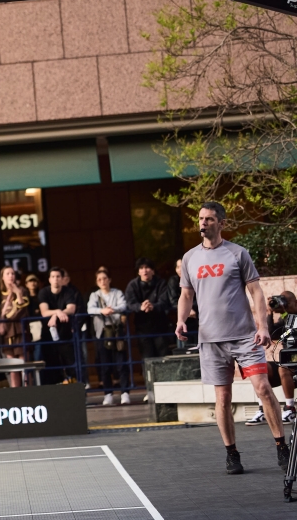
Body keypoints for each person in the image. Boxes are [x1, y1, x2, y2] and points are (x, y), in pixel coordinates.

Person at [176, 202, 289, 474]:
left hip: (245, 337)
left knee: (263, 388)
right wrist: (180, 320)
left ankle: (281, 446)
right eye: (201, 218)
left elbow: (256, 292)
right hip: (211, 340)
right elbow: (186, 295)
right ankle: (232, 453)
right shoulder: (190, 258)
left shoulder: (237, 253)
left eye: (209, 219)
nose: (203, 223)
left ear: (221, 223)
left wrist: (263, 327)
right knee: (223, 397)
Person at [126, 258, 172, 386]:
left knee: (163, 357)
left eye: (147, 268)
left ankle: (165, 386)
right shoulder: (133, 285)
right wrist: (140, 307)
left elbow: (165, 301)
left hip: (160, 327)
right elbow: (130, 303)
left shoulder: (161, 283)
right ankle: (150, 387)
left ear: (153, 271)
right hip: (142, 328)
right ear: (138, 272)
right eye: (141, 268)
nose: (144, 271)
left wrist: (153, 306)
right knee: (147, 358)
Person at [88, 268, 130, 405]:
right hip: (102, 333)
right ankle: (108, 394)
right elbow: (90, 309)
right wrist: (102, 310)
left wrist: (112, 310)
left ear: (110, 280)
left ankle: (125, 393)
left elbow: (123, 306)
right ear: (96, 282)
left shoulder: (117, 292)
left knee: (121, 363)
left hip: (117, 331)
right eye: (99, 279)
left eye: (105, 278)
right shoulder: (94, 295)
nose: (102, 281)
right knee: (105, 365)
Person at [36, 267, 79, 384]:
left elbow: (71, 309)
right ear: (49, 279)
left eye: (58, 276)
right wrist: (58, 312)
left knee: (71, 364)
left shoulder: (68, 291)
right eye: (53, 277)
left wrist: (56, 315)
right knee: (51, 367)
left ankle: (74, 390)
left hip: (65, 334)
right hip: (48, 335)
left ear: (62, 279)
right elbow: (44, 312)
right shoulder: (44, 292)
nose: (55, 279)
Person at [263, 291, 297, 425]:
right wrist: (269, 313)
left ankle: (290, 408)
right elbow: (272, 334)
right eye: (283, 302)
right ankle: (264, 409)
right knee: (262, 368)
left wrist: (286, 312)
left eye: (287, 302)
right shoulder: (285, 318)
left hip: (291, 362)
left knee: (283, 367)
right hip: (291, 360)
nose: (284, 305)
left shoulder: (291, 316)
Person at [0, 266, 29, 387]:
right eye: (8, 274)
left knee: (24, 365)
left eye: (13, 273)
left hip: (20, 331)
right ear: (2, 277)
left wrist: (18, 293)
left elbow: (22, 311)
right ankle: (16, 392)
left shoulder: (22, 290)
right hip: (7, 333)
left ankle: (29, 391)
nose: (11, 276)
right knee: (12, 367)